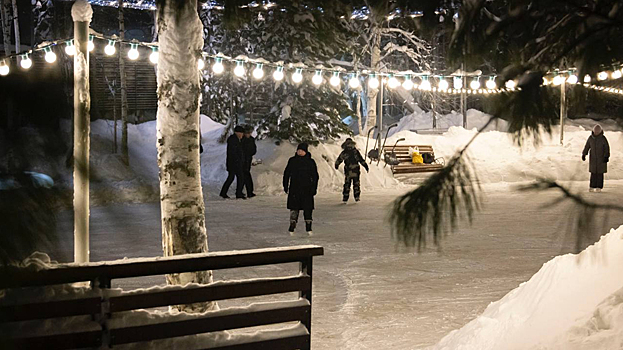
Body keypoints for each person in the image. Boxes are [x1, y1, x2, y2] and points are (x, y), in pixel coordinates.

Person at [283, 143, 319, 235]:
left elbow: (315, 176)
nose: (299, 152)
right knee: (294, 208)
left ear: (305, 151)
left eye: (302, 150)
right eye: (298, 150)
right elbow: (287, 173)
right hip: (294, 188)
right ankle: (292, 226)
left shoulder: (310, 162)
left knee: (308, 208)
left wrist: (314, 188)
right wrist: (285, 185)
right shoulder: (292, 161)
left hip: (307, 189)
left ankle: (308, 227)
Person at [335, 138, 369, 203]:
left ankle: (345, 197)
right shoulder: (355, 151)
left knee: (347, 184)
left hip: (348, 170)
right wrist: (365, 166)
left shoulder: (344, 152)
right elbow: (360, 159)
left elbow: (339, 159)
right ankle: (357, 197)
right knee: (356, 184)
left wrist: (336, 165)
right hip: (356, 170)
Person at [220, 125, 246, 199]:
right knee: (239, 177)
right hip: (234, 163)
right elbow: (233, 152)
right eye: (241, 133)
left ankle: (224, 192)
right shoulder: (233, 140)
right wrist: (238, 160)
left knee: (232, 178)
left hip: (234, 163)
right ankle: (238, 193)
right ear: (238, 133)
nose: (242, 135)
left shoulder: (236, 140)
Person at [582, 124, 610, 192]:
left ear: (600, 132)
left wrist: (606, 156)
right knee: (593, 173)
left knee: (600, 174)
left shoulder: (603, 138)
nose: (596, 133)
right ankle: (592, 186)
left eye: (597, 132)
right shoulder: (590, 138)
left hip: (601, 159)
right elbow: (587, 146)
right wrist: (584, 154)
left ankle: (599, 187)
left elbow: (607, 148)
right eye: (595, 132)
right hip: (593, 159)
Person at [241, 126, 257, 198]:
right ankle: (245, 191)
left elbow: (254, 150)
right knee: (243, 176)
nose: (248, 134)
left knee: (246, 175)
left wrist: (250, 153)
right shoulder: (242, 140)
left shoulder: (251, 140)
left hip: (248, 160)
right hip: (242, 160)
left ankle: (249, 191)